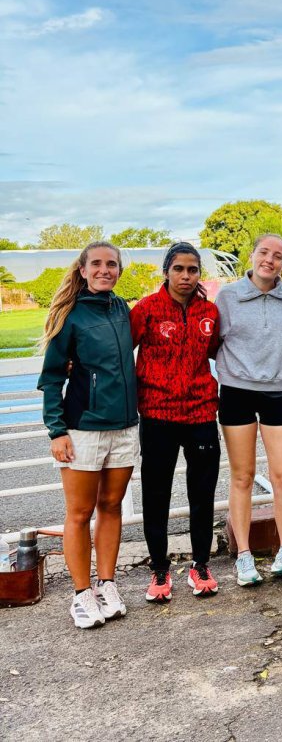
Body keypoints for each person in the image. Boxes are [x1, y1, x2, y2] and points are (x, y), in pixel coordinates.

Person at [38, 242, 138, 629]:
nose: (104, 270)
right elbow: (51, 378)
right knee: (79, 513)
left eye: (111, 264)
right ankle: (81, 595)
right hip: (83, 430)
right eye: (96, 264)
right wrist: (57, 431)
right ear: (83, 270)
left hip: (125, 428)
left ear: (118, 271)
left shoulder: (120, 309)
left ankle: (106, 584)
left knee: (111, 507)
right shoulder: (71, 315)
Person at [130, 242, 221, 602]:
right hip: (156, 415)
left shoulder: (209, 312)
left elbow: (217, 351)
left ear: (200, 274)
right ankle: (159, 570)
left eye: (193, 269)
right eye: (179, 269)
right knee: (156, 495)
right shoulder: (147, 309)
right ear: (166, 271)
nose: (186, 276)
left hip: (200, 412)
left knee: (202, 493)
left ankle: (200, 565)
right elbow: (120, 351)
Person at [216, 234, 282, 586]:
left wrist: (281, 363)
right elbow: (214, 341)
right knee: (243, 476)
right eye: (264, 252)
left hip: (278, 392)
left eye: (278, 255)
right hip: (237, 391)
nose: (270, 259)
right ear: (252, 256)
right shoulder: (228, 296)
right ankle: (244, 556)